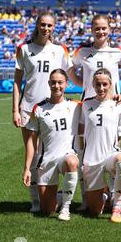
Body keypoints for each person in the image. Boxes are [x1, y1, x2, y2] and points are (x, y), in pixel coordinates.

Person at [68, 14, 121, 212]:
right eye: (97, 28)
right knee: (83, 153)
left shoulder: (118, 52)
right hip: (88, 110)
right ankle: (86, 198)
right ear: (91, 30)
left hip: (112, 109)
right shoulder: (83, 52)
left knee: (113, 150)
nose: (100, 31)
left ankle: (115, 199)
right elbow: (70, 70)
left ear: (109, 29)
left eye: (104, 28)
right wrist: (84, 85)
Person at [13, 11, 72, 212]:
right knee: (33, 152)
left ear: (54, 27)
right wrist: (15, 109)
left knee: (52, 152)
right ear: (37, 25)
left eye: (49, 25)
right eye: (43, 24)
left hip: (53, 109)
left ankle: (55, 195)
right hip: (28, 108)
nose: (46, 28)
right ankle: (35, 201)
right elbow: (17, 81)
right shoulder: (24, 48)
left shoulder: (60, 50)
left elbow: (68, 76)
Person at [22, 69, 80, 221]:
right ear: (48, 84)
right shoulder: (39, 108)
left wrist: (116, 97)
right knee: (47, 210)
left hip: (66, 157)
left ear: (66, 84)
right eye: (53, 82)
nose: (56, 86)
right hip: (46, 162)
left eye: (60, 82)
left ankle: (66, 209)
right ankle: (60, 196)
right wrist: (27, 168)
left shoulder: (75, 105)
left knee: (72, 162)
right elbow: (31, 141)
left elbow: (99, 103)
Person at [79, 68, 121, 222]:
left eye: (104, 84)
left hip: (110, 155)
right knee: (95, 211)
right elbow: (81, 132)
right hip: (92, 159)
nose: (101, 88)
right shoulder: (85, 104)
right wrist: (82, 157)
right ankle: (105, 194)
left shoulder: (117, 104)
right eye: (98, 84)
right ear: (93, 85)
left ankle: (117, 208)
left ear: (110, 84)